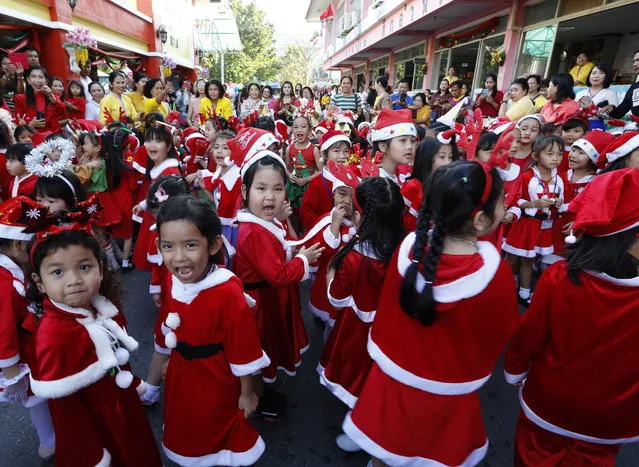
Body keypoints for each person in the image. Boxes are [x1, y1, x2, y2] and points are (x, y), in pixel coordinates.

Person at [342, 159, 519, 467]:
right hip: (449, 392)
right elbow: (499, 333)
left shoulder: (407, 249)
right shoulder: (496, 276)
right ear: (479, 220)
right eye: (502, 201)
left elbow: (389, 312)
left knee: (384, 441)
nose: (506, 205)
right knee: (436, 452)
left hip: (393, 377)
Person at [504, 168, 639, 467]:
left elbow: (530, 335)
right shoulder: (558, 278)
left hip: (548, 402)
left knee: (532, 454)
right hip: (613, 415)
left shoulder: (559, 278)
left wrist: (515, 367)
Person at [27, 211, 162, 466]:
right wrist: (91, 455)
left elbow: (112, 359)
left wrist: (133, 384)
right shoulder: (53, 335)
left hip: (121, 404)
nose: (75, 280)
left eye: (84, 267)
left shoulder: (100, 308)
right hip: (98, 425)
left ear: (100, 269)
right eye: (58, 272)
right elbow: (65, 412)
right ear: (39, 282)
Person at [156, 195, 269, 465]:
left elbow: (243, 347)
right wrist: (172, 357)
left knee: (216, 425)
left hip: (216, 374)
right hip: (182, 372)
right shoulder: (171, 279)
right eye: (168, 246)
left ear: (214, 244)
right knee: (187, 422)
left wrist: (247, 391)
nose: (179, 257)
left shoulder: (227, 290)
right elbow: (172, 321)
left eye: (191, 245)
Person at [234, 151, 323, 418]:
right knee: (262, 349)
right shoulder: (254, 233)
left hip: (268, 299)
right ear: (245, 190)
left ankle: (262, 391)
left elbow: (283, 245)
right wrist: (304, 261)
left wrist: (281, 220)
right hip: (261, 304)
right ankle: (257, 397)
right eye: (261, 188)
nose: (270, 196)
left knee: (267, 349)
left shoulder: (264, 222)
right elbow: (279, 275)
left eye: (278, 188)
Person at [319, 176, 405, 452]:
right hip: (394, 331)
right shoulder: (406, 249)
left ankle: (361, 429)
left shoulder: (355, 259)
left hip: (358, 331)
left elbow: (337, 297)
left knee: (358, 377)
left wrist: (331, 276)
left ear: (359, 218)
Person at [0, 196, 56, 461]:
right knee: (38, 398)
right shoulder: (4, 283)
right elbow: (3, 330)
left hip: (34, 341)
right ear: (17, 244)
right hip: (25, 351)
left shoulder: (11, 270)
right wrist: (12, 371)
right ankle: (50, 438)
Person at [503, 135, 566, 305]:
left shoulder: (558, 179)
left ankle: (524, 293)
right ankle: (503, 287)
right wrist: (534, 203)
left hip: (542, 225)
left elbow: (560, 203)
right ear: (535, 156)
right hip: (524, 224)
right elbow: (516, 202)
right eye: (550, 153)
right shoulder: (526, 177)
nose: (556, 158)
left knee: (530, 259)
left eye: (559, 154)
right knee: (513, 258)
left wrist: (558, 203)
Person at [131, 125, 182, 271]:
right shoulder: (157, 169)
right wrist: (143, 205)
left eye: (158, 141)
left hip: (164, 225)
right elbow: (156, 194)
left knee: (164, 263)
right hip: (154, 220)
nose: (151, 144)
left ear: (168, 146)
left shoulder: (170, 172)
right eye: (148, 140)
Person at [402, 134, 461, 231]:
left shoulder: (450, 187)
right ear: (427, 159)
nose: (448, 162)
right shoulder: (414, 186)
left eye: (450, 157)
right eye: (442, 157)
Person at [300, 130, 351, 231]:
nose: (342, 156)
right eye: (336, 151)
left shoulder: (352, 177)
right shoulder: (317, 182)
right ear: (323, 154)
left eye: (346, 151)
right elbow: (306, 213)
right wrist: (326, 227)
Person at [12, 66, 66, 133]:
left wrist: (51, 96)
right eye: (33, 76)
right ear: (28, 80)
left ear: (46, 81)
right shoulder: (21, 99)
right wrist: (30, 124)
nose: (37, 80)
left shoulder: (53, 97)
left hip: (53, 137)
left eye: (40, 77)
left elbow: (63, 114)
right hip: (31, 137)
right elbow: (17, 123)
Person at [371, 108, 417, 184]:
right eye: (403, 140)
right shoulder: (376, 180)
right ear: (383, 146)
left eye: (412, 141)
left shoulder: (395, 175)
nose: (410, 147)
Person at [575, 63, 618, 130]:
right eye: (594, 73)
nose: (596, 76)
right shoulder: (580, 93)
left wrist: (593, 110)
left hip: (599, 128)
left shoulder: (610, 93)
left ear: (607, 76)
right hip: (579, 127)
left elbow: (613, 117)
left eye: (601, 73)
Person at [609, 49, 639, 119]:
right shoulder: (634, 87)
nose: (634, 64)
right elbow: (620, 112)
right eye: (634, 61)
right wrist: (611, 109)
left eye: (638, 60)